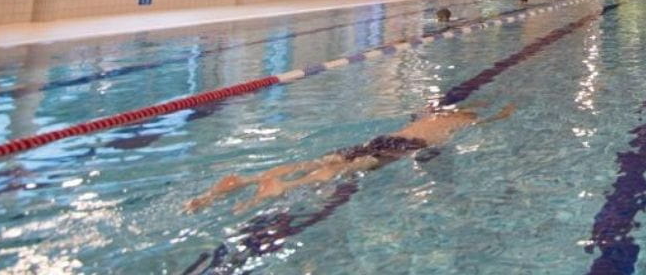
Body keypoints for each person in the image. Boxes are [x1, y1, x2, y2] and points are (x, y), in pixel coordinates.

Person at [185, 103, 515, 214]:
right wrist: (504, 114)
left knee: (319, 160)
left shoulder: (430, 116)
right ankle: (282, 188)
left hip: (384, 137)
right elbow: (488, 122)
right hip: (404, 146)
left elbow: (420, 109)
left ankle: (243, 180)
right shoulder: (461, 122)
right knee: (346, 171)